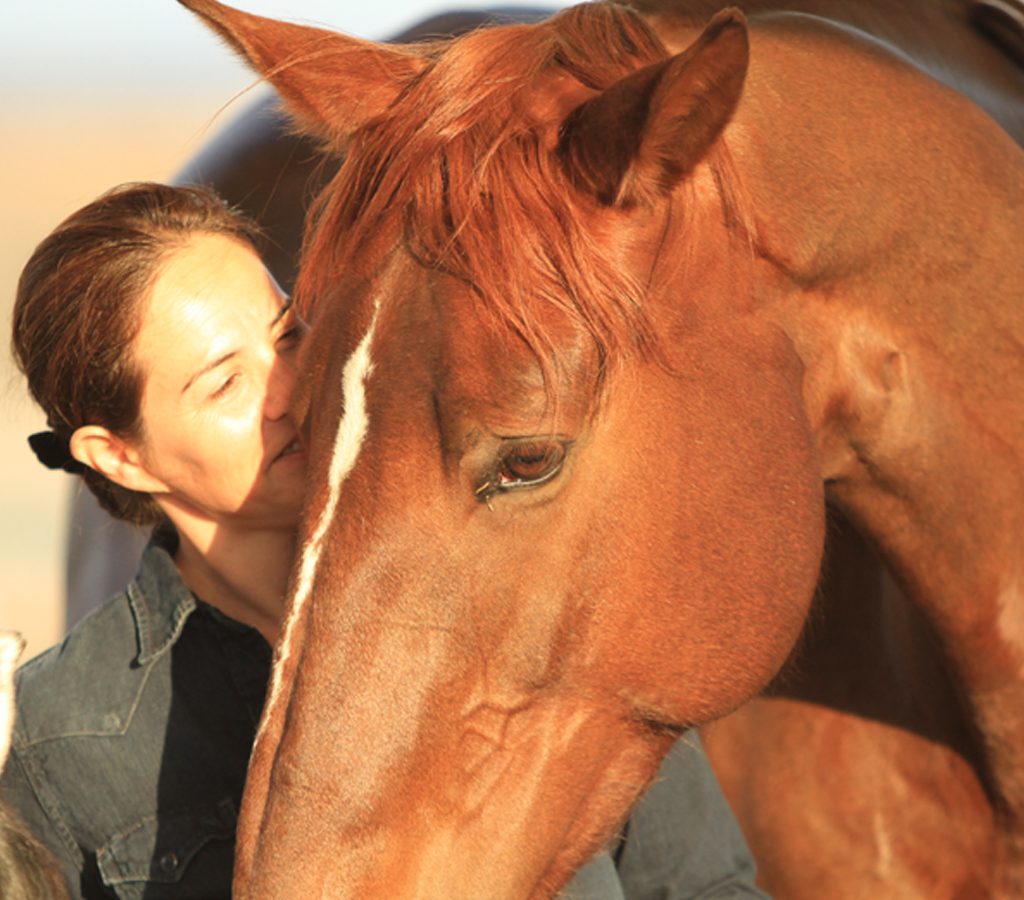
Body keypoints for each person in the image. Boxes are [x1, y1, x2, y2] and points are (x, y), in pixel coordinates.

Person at [3, 182, 767, 899]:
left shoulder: (531, 581)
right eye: (224, 385)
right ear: (119, 456)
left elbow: (706, 886)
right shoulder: (58, 742)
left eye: (290, 335)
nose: (289, 388)